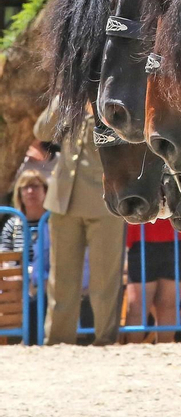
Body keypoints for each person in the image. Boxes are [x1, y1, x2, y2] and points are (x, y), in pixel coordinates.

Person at [33, 103, 121, 345]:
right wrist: (62, 98)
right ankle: (57, 339)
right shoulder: (70, 100)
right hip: (64, 200)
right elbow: (41, 131)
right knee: (61, 278)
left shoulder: (109, 98)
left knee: (104, 279)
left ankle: (105, 339)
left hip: (103, 202)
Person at [123, 218, 181, 343]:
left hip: (178, 238)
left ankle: (163, 349)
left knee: (168, 305)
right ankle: (133, 350)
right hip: (141, 237)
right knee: (137, 306)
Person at [1, 170, 49, 344]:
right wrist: (19, 274)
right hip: (19, 280)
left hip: (46, 279)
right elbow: (4, 255)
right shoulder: (13, 224)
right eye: (25, 187)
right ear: (19, 193)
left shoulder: (53, 222)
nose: (30, 192)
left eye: (35, 186)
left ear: (45, 190)